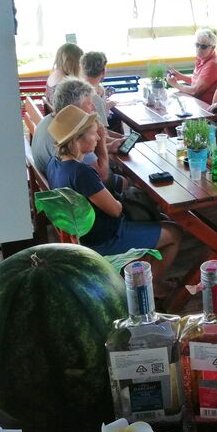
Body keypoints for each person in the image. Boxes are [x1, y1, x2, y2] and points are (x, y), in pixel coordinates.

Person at [46, 105, 182, 295]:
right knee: (174, 232)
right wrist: (117, 196)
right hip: (104, 239)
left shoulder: (55, 163)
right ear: (77, 139)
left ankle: (142, 279)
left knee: (155, 216)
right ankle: (155, 287)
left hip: (84, 234)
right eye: (93, 134)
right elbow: (116, 210)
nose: (98, 138)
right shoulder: (81, 173)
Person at [32, 78, 125, 191]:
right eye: (89, 103)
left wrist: (109, 147)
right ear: (73, 108)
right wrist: (101, 140)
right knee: (125, 180)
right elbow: (102, 176)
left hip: (57, 180)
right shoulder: (75, 136)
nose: (93, 107)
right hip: (72, 192)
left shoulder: (51, 122)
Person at [166, 28, 217, 104]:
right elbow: (196, 82)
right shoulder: (201, 58)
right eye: (197, 45)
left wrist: (175, 84)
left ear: (213, 48)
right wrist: (179, 76)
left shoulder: (212, 64)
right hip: (197, 101)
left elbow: (195, 91)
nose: (199, 49)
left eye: (203, 47)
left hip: (206, 106)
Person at [80, 51, 115, 127]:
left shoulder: (80, 89)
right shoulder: (93, 97)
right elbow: (102, 129)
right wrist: (106, 107)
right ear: (103, 71)